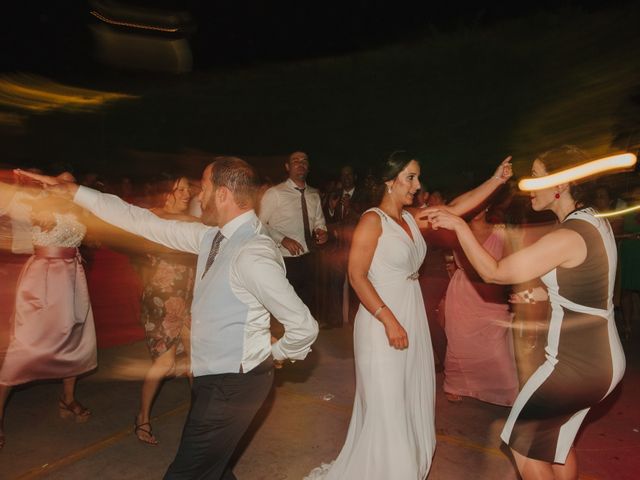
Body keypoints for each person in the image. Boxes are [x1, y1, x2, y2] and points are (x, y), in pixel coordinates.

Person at [17, 156, 319, 479]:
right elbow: (142, 221)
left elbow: (304, 326)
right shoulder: (212, 237)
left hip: (232, 384)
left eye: (203, 188)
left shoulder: (252, 253)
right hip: (212, 375)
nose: (198, 196)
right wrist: (76, 192)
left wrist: (271, 355)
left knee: (186, 472)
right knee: (215, 468)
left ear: (222, 195)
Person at [304, 151, 512, 479]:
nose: (418, 185)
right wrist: (388, 320)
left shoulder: (412, 218)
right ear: (389, 181)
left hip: (410, 313)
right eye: (410, 177)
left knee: (410, 396)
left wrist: (496, 180)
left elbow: (455, 209)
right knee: (387, 405)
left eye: (418, 177)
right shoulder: (373, 220)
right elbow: (357, 275)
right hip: (380, 322)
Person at [426, 146, 626, 480]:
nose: (528, 184)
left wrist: (459, 227)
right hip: (602, 360)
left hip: (576, 364)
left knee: (522, 447)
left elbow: (494, 272)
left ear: (561, 183)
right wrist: (543, 292)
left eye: (536, 176)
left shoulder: (568, 234)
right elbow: (586, 283)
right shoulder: (593, 222)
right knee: (556, 451)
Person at [0, 171, 97, 450]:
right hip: (42, 281)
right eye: (59, 179)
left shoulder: (78, 207)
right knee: (25, 344)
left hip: (72, 278)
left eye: (70, 179)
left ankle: (68, 398)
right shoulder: (31, 203)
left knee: (74, 336)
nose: (65, 183)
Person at [134, 174, 199, 445]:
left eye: (188, 188)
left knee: (195, 361)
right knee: (165, 363)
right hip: (162, 298)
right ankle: (142, 417)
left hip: (187, 295)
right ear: (166, 192)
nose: (187, 193)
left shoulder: (194, 221)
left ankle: (202, 418)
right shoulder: (153, 217)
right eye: (180, 189)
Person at [442, 206, 519, 406]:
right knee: (459, 342)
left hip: (491, 293)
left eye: (480, 206)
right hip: (463, 291)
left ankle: (505, 390)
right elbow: (450, 259)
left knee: (496, 348)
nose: (475, 211)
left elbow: (511, 261)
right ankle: (456, 384)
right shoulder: (457, 229)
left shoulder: (500, 231)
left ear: (487, 207)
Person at [259, 151, 328, 312]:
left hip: (310, 257)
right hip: (284, 259)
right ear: (287, 167)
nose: (300, 163)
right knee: (284, 307)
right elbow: (259, 224)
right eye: (295, 160)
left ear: (308, 167)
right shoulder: (275, 193)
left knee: (306, 304)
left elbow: (319, 221)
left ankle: (303, 336)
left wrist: (322, 232)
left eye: (304, 160)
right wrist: (282, 239)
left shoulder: (313, 194)